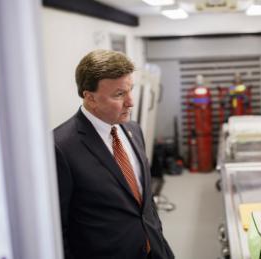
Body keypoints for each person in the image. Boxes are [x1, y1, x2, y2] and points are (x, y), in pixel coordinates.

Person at [54, 49, 174, 259]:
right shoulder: (60, 147)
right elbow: (57, 229)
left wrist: (160, 243)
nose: (131, 102)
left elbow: (144, 201)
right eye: (119, 94)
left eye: (130, 90)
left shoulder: (133, 130)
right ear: (90, 97)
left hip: (153, 250)